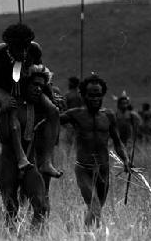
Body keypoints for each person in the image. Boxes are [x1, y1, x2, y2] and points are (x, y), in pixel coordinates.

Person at [0, 23, 61, 177]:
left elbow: (40, 72)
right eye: (18, 48)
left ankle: (46, 162)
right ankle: (21, 157)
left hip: (23, 86)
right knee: (11, 105)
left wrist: (51, 95)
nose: (23, 52)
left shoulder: (34, 50)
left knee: (53, 110)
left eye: (25, 47)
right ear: (9, 46)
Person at [60, 74, 130, 228]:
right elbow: (54, 119)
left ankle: (79, 231)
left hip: (103, 170)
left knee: (97, 210)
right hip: (84, 169)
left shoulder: (108, 116)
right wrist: (53, 104)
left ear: (103, 95)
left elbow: (118, 142)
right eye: (91, 95)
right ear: (83, 95)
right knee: (95, 206)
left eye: (98, 95)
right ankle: (84, 235)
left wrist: (125, 159)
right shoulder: (75, 114)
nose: (95, 99)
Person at [0, 65, 54, 228]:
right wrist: (3, 112)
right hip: (9, 163)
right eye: (34, 84)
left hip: (30, 164)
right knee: (11, 207)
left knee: (41, 205)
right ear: (25, 84)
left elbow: (53, 124)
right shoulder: (12, 105)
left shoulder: (41, 109)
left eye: (41, 86)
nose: (37, 89)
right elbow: (2, 136)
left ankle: (35, 236)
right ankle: (10, 237)